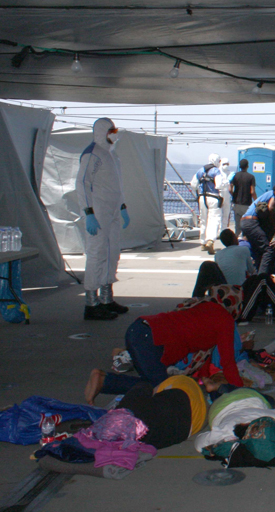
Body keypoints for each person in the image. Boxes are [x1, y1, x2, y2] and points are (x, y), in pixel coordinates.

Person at [84, 287, 245, 404]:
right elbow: (227, 362)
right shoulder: (225, 320)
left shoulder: (204, 305)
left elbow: (204, 358)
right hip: (149, 338)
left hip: (140, 329)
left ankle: (104, 380)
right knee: (160, 388)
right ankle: (104, 382)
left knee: (155, 382)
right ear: (235, 307)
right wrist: (240, 391)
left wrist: (203, 381)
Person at [76, 118, 131, 320]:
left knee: (112, 253)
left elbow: (117, 185)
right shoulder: (92, 155)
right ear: (102, 132)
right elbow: (82, 184)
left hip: (113, 211)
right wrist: (88, 212)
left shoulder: (111, 155)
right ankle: (91, 302)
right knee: (97, 254)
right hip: (98, 212)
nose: (114, 134)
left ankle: (107, 298)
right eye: (111, 130)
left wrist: (122, 206)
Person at [191, 229, 254, 297]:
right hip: (237, 289)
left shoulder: (218, 254)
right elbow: (252, 271)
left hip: (221, 287)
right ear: (234, 238)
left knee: (206, 265)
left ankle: (196, 297)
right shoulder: (244, 249)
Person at [239, 187, 275, 276]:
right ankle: (261, 277)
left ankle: (256, 273)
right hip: (251, 222)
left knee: (258, 250)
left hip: (245, 221)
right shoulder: (274, 195)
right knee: (268, 250)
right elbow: (271, 208)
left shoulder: (266, 195)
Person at [191, 153, 226, 254]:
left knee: (203, 219)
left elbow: (193, 184)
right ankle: (210, 240)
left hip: (202, 198)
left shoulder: (200, 170)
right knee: (214, 219)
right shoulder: (216, 171)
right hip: (213, 198)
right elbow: (219, 185)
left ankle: (202, 242)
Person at [229, 158, 257, 235]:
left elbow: (230, 189)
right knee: (246, 225)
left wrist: (234, 195)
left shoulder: (235, 176)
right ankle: (244, 242)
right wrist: (256, 201)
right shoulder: (251, 177)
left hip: (237, 204)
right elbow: (252, 192)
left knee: (237, 226)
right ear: (247, 166)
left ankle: (235, 242)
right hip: (247, 204)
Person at [218, 157, 233, 232]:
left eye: (227, 164)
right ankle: (218, 230)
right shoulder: (218, 172)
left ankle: (223, 230)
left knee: (226, 214)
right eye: (224, 164)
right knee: (218, 214)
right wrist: (227, 181)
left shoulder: (229, 173)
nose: (226, 165)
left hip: (227, 196)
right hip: (220, 195)